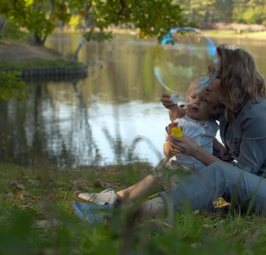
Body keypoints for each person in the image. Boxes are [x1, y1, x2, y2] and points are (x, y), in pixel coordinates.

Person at [73, 45, 266, 222]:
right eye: (209, 72)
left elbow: (244, 173)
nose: (206, 79)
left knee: (218, 172)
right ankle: (119, 199)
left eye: (214, 74)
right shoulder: (226, 105)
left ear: (231, 81)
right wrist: (175, 110)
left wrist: (196, 151)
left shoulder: (256, 113)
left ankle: (125, 218)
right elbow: (193, 113)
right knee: (175, 163)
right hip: (255, 188)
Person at [73, 77, 225, 217]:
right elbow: (168, 150)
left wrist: (221, 148)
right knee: (179, 200)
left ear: (213, 108)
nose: (196, 102)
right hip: (181, 171)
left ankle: (214, 208)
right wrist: (171, 147)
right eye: (192, 97)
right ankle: (117, 206)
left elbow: (209, 138)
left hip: (200, 173)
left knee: (195, 201)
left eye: (203, 100)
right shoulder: (182, 123)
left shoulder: (212, 125)